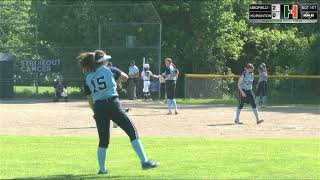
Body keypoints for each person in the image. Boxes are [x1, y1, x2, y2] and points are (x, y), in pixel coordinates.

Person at [78, 51, 159, 174]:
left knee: (103, 140)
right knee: (132, 131)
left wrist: (97, 112)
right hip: (112, 103)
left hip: (99, 107)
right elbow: (125, 77)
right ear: (102, 61)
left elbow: (89, 99)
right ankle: (145, 161)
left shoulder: (88, 77)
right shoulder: (109, 69)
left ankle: (102, 170)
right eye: (105, 60)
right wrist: (116, 80)